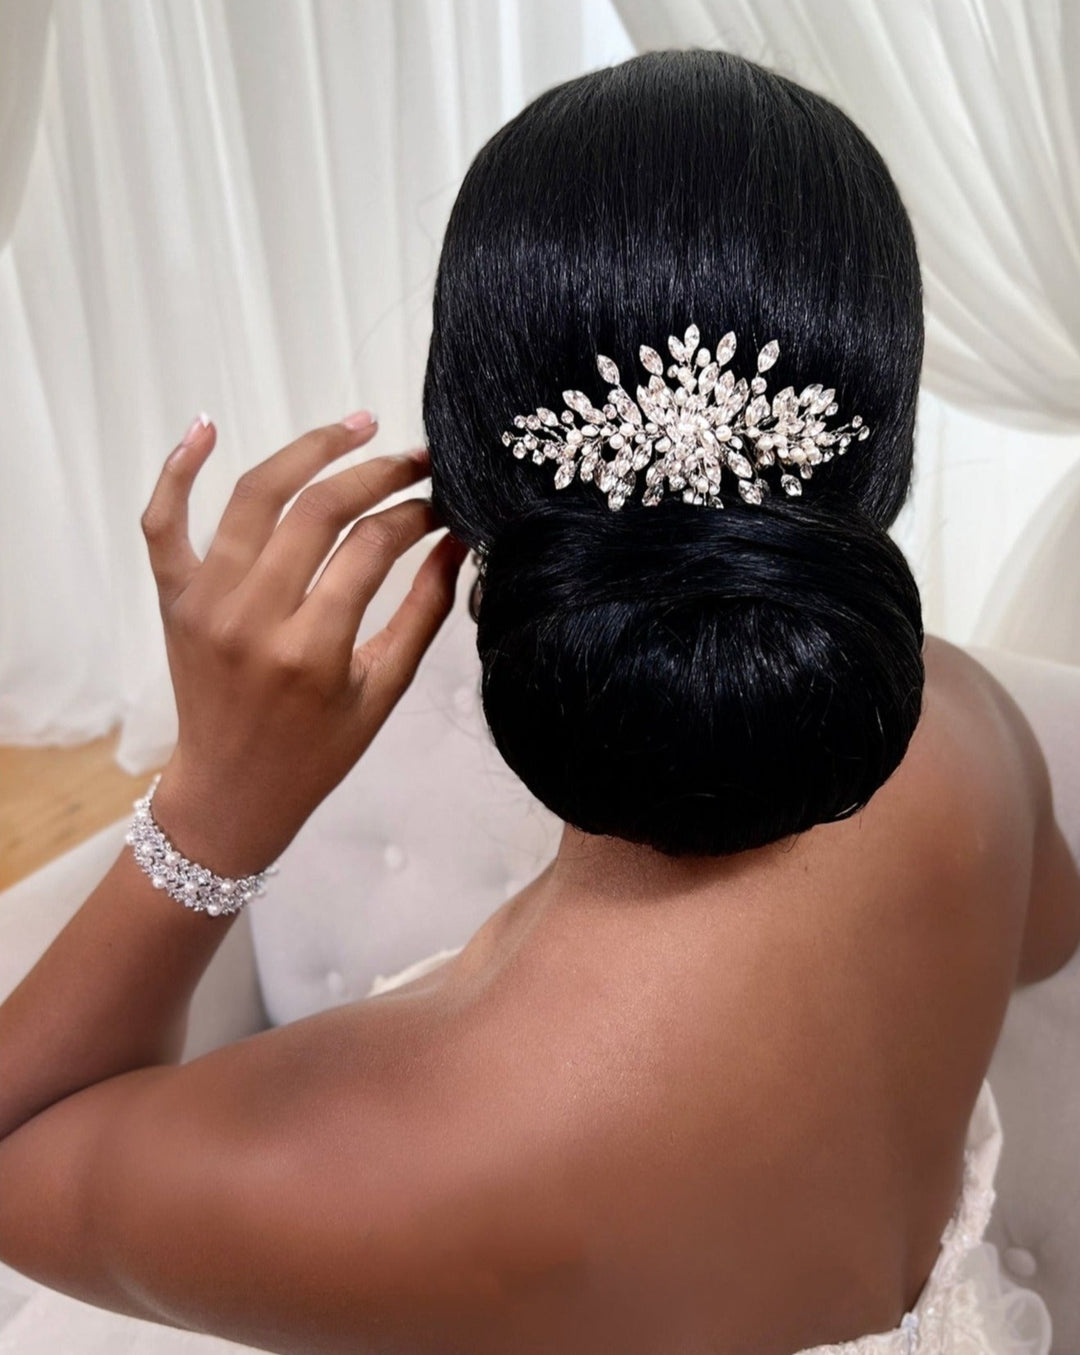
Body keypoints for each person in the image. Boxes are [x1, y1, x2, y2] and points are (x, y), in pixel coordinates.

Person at [0, 47, 1077, 1355]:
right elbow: (1039, 938)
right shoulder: (970, 727)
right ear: (879, 450)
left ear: (458, 484)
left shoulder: (425, 1159)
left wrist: (218, 806)